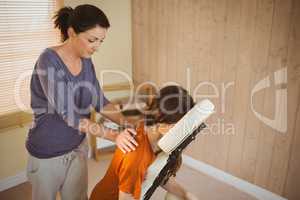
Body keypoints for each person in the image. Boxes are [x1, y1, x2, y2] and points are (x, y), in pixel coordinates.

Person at [26, 4, 138, 200]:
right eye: (92, 40)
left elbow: (100, 101)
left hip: (77, 147)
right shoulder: (48, 61)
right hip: (47, 153)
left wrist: (127, 123)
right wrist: (114, 136)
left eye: (101, 41)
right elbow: (70, 116)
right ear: (71, 33)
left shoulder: (86, 60)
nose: (97, 46)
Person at [89, 85, 198, 200]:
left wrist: (186, 194)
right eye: (180, 126)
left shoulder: (153, 134)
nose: (183, 132)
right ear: (162, 120)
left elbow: (157, 173)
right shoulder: (136, 154)